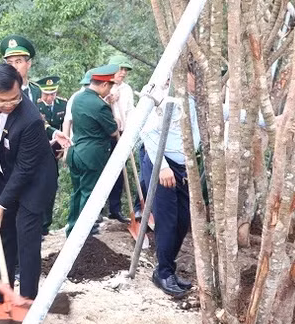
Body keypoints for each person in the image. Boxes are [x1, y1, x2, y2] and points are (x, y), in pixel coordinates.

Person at [0, 64, 58, 310]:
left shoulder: (29, 119)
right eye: (3, 100)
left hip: (35, 180)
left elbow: (25, 169)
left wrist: (2, 203)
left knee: (26, 237)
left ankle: (27, 302)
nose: (10, 104)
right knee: (2, 234)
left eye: (15, 98)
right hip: (7, 171)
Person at [141, 71, 200, 298]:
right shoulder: (166, 99)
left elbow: (230, 113)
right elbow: (148, 132)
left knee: (183, 220)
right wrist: (162, 165)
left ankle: (168, 268)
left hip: (183, 167)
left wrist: (273, 119)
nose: (199, 81)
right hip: (162, 164)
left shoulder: (199, 102)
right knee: (167, 220)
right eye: (195, 76)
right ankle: (163, 272)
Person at [66, 64, 120, 236]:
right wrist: (113, 114)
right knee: (89, 192)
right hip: (91, 155)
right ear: (104, 84)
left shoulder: (78, 98)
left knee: (77, 192)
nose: (109, 90)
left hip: (75, 152)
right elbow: (113, 130)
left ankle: (72, 227)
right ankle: (83, 232)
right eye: (110, 86)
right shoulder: (99, 105)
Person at [0, 35, 72, 149]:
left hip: (36, 150)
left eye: (18, 61)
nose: (14, 67)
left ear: (28, 63)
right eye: (9, 63)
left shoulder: (37, 90)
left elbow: (39, 121)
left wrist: (54, 133)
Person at [106, 55, 135, 223]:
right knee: (102, 172)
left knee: (119, 172)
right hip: (104, 136)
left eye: (125, 70)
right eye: (120, 69)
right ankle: (95, 213)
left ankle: (115, 210)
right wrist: (108, 100)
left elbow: (130, 111)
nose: (123, 73)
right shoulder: (103, 86)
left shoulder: (127, 89)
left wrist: (130, 134)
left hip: (122, 134)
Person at [36, 75, 66, 234]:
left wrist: (65, 149)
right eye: (46, 94)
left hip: (56, 154)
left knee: (51, 186)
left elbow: (68, 125)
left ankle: (46, 224)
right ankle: (38, 225)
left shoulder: (63, 104)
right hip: (39, 153)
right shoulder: (36, 105)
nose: (49, 97)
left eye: (52, 93)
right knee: (38, 187)